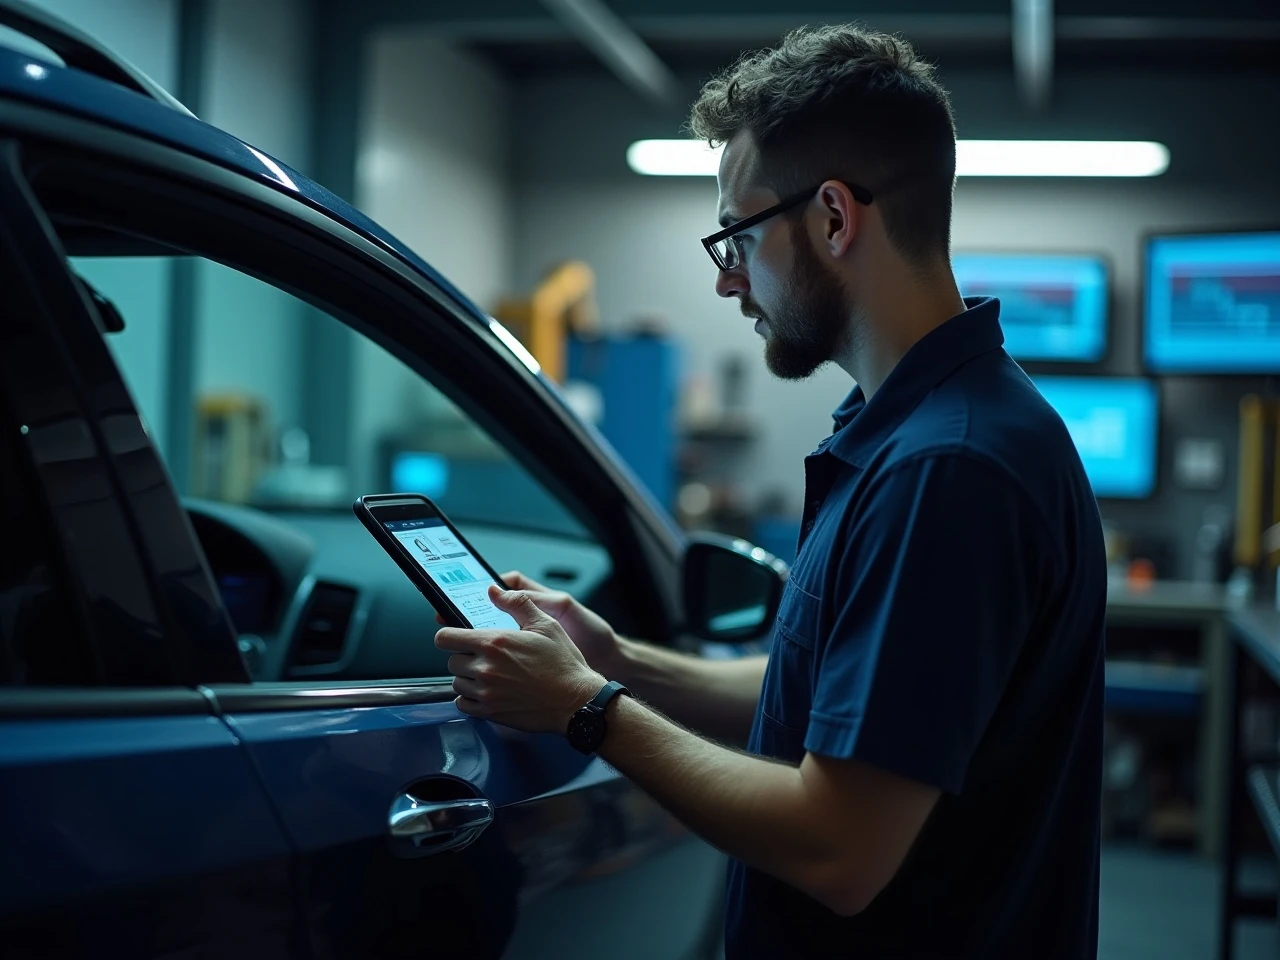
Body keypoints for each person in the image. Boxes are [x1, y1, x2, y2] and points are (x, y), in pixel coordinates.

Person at [435, 23, 1107, 959]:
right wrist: (618, 659)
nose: (728, 281)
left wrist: (584, 707)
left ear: (834, 218)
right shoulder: (919, 433)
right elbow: (839, 698)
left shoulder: (946, 472)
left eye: (737, 236)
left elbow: (840, 848)